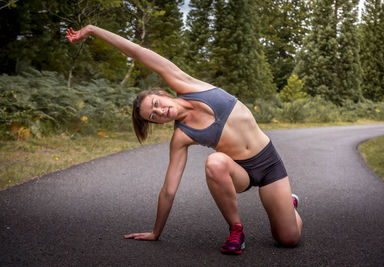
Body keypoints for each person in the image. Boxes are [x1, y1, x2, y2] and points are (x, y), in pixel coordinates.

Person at [66, 25, 302, 255]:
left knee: (288, 239)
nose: (160, 112)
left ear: (162, 94)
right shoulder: (181, 137)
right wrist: (156, 232)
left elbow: (137, 52)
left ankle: (289, 205)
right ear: (156, 123)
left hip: (268, 162)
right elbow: (169, 189)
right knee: (214, 162)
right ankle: (236, 230)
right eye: (153, 116)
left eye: (156, 104)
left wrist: (93, 30)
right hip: (240, 171)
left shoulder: (187, 84)